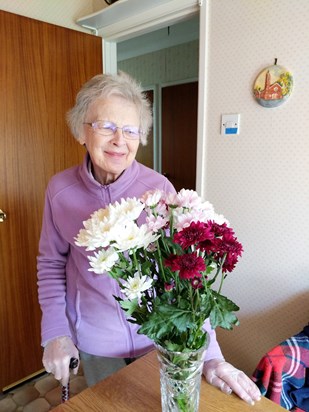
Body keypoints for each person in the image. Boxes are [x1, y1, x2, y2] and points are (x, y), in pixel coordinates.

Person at [37, 71, 261, 405]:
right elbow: (51, 264)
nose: (119, 140)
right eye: (106, 126)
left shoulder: (160, 191)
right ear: (81, 130)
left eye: (130, 130)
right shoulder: (60, 190)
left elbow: (190, 280)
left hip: (160, 339)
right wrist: (56, 332)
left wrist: (211, 354)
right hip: (97, 342)